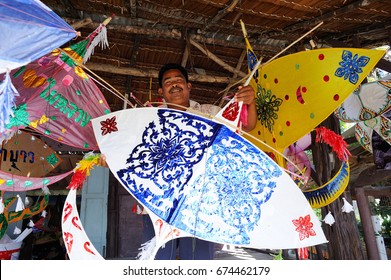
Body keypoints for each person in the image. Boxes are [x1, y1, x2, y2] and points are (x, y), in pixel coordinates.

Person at [100, 63, 257, 260]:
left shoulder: (210, 113)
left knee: (199, 259)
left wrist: (250, 103)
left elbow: (247, 126)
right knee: (159, 257)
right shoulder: (147, 119)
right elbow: (128, 152)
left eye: (178, 80)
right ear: (161, 91)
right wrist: (111, 158)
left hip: (201, 202)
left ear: (188, 86)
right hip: (157, 201)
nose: (174, 85)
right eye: (168, 82)